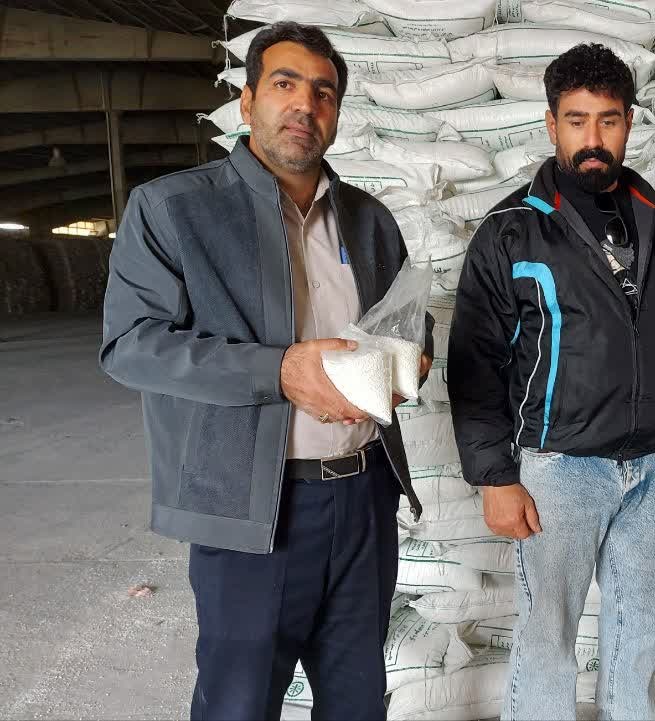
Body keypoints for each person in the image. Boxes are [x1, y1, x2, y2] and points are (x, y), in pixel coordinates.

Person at [100, 21, 431, 721]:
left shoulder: (369, 219)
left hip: (363, 498)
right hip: (252, 508)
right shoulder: (173, 209)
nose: (305, 104)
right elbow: (131, 344)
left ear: (337, 113)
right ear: (247, 101)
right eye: (284, 84)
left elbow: (405, 319)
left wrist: (412, 358)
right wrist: (278, 370)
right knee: (240, 703)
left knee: (357, 700)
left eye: (324, 92)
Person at [448, 43, 655, 721]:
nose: (593, 138)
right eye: (576, 120)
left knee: (639, 636)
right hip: (559, 466)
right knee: (548, 637)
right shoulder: (512, 231)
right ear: (551, 124)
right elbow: (475, 362)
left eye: (608, 119)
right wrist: (493, 475)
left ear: (629, 122)